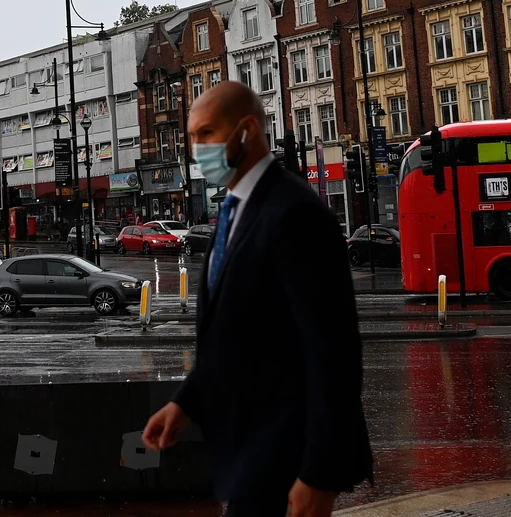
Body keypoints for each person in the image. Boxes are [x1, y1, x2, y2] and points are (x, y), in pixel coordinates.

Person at [142, 82, 371, 517]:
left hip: (290, 449)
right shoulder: (234, 208)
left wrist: (319, 474)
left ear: (247, 130)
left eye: (206, 134)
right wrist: (186, 402)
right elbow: (235, 333)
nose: (196, 149)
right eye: (192, 137)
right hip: (254, 444)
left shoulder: (293, 211)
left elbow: (333, 351)